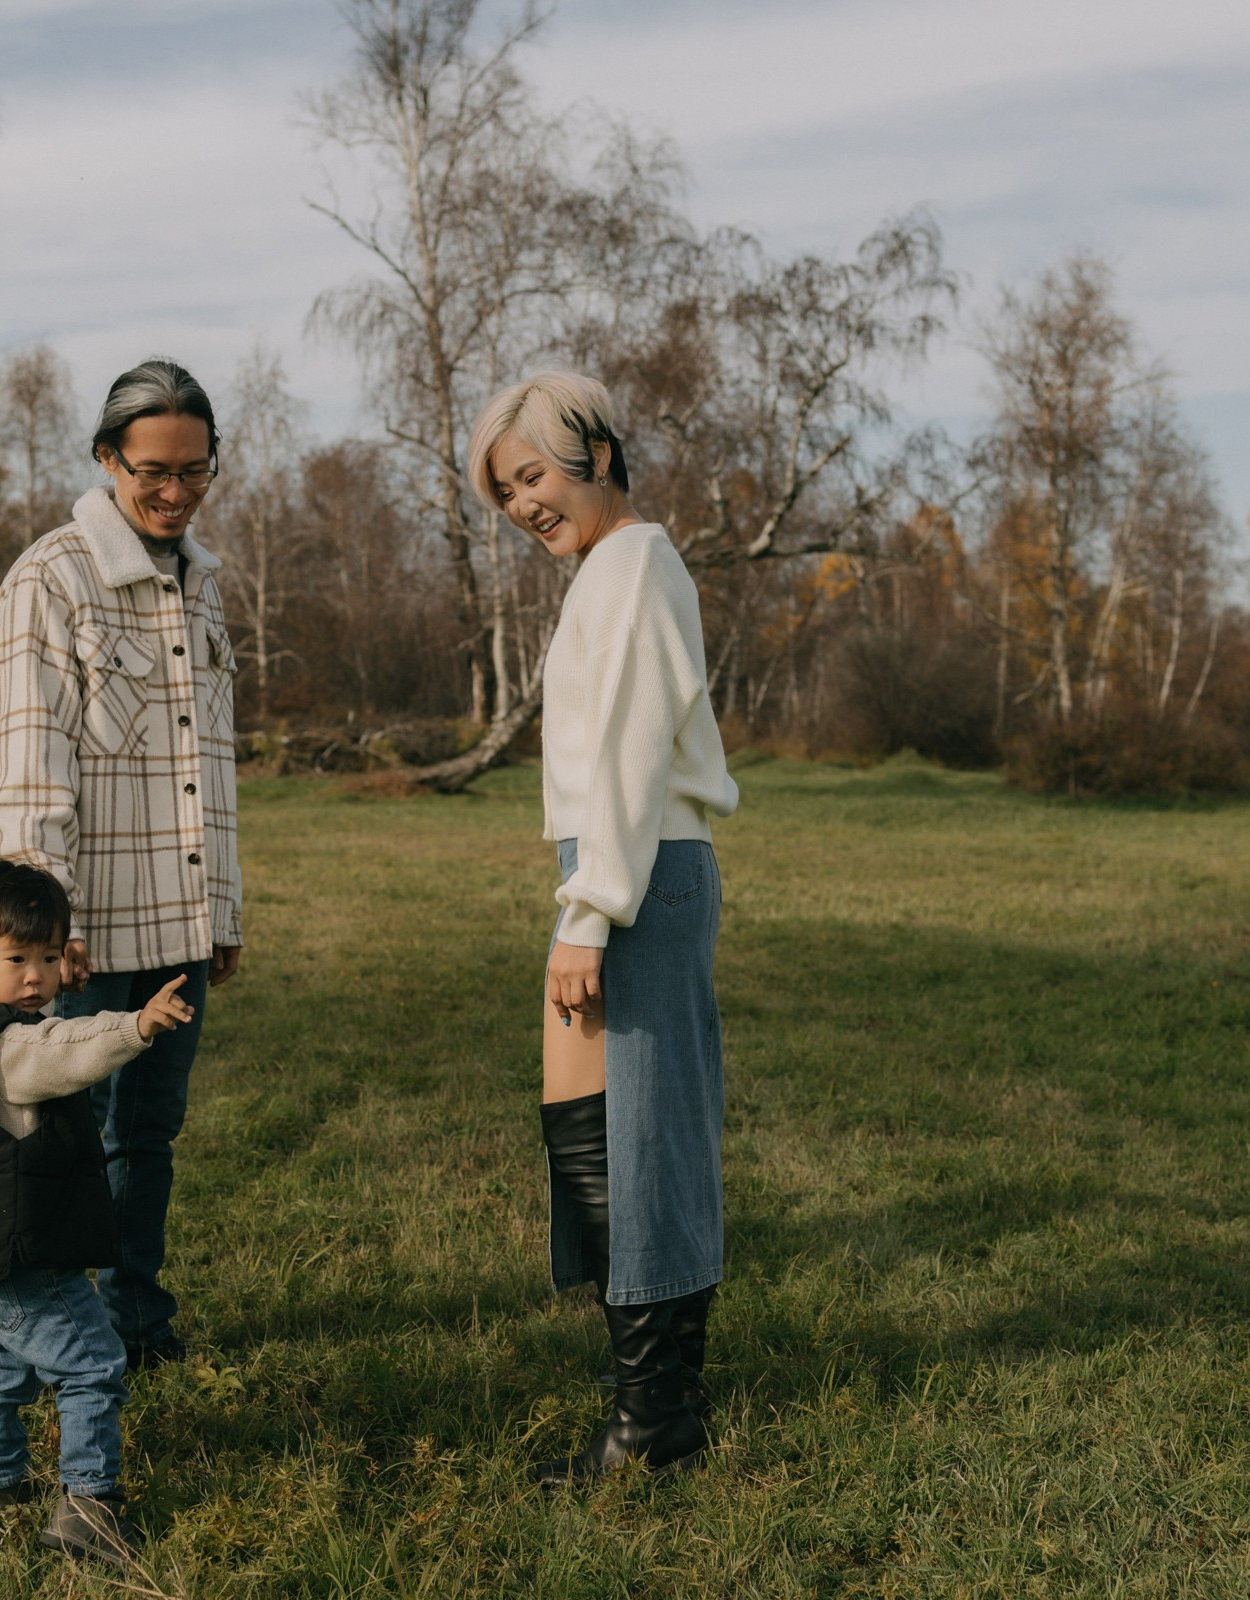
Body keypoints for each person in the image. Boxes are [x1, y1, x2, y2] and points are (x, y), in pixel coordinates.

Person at [466, 371, 741, 1484]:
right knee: (590, 1121)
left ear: (595, 450)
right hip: (619, 869)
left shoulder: (630, 566)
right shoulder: (609, 570)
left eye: (533, 474)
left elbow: (630, 752)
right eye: (505, 492)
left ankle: (653, 1417)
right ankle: (661, 1381)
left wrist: (589, 910)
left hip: (638, 872)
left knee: (644, 1135)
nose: (525, 504)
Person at [0, 359, 244, 1369]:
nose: (175, 492)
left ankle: (139, 1319)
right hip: (87, 936)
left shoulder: (205, 583)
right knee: (66, 1141)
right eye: (152, 472)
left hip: (178, 927)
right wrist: (44, 938)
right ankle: (56, 1332)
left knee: (150, 1140)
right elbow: (26, 770)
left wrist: (223, 911)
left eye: (194, 470)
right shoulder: (51, 578)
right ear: (105, 460)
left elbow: (209, 767)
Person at [0, 859, 195, 1568]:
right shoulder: (16, 1045)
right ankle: (86, 1508)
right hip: (25, 1251)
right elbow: (70, 1052)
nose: (36, 976)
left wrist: (61, 988)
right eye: (16, 959)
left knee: (3, 1368)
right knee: (94, 1362)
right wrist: (137, 1024)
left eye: (49, 956)